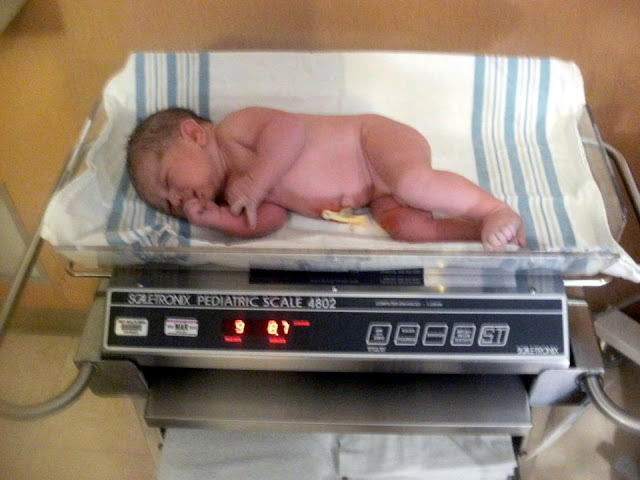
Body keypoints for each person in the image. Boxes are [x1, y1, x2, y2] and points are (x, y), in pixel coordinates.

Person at [126, 107, 526, 250]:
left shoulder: (233, 130)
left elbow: (289, 131)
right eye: (167, 204)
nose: (176, 200)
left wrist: (259, 181)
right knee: (408, 228)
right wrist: (220, 220)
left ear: (194, 134)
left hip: (371, 143)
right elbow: (271, 220)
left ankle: (493, 209)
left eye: (168, 181)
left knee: (412, 185)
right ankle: (482, 233)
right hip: (372, 193)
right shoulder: (235, 193)